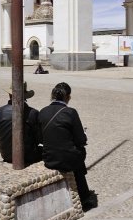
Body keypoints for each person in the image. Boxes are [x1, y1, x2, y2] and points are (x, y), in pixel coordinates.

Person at [37, 82, 98, 212]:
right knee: (79, 154)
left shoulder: (42, 111)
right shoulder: (70, 112)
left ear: (52, 96)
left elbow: (40, 137)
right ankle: (84, 197)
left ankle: (83, 193)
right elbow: (81, 139)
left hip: (49, 158)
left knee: (72, 153)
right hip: (67, 160)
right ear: (68, 97)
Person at [0, 82, 42, 165]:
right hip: (28, 155)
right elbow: (39, 139)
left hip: (6, 154)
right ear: (25, 97)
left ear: (9, 95)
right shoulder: (33, 113)